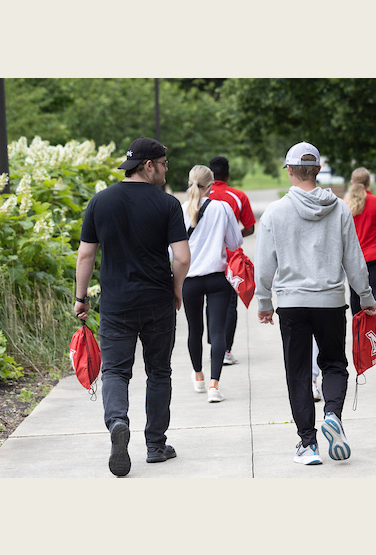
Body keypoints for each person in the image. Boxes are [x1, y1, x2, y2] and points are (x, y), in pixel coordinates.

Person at [255, 141, 376, 466]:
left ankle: (308, 445)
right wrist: (366, 297)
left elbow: (264, 263)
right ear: (318, 170)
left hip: (293, 304)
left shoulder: (276, 212)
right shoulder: (339, 209)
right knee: (334, 364)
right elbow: (354, 259)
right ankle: (332, 414)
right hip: (330, 302)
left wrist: (264, 300)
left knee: (297, 372)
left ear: (291, 170)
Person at [74, 137, 191, 477]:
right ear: (148, 165)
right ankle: (155, 445)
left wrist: (81, 298)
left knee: (115, 371)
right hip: (157, 301)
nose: (167, 170)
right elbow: (182, 257)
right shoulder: (167, 205)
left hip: (116, 304)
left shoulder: (100, 202)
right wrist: (176, 289)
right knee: (159, 372)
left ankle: (117, 423)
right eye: (164, 163)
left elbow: (85, 254)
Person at [180, 165, 243, 403]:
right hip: (218, 278)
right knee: (217, 331)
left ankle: (198, 376)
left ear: (190, 183)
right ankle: (214, 386)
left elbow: (171, 250)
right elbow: (235, 241)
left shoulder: (181, 209)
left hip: (190, 280)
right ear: (212, 184)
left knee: (194, 330)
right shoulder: (222, 208)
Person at [207, 156, 256, 365]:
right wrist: (230, 237)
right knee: (229, 306)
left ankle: (213, 345)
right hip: (231, 261)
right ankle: (226, 350)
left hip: (205, 259)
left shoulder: (200, 195)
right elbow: (251, 227)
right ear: (227, 174)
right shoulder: (237, 196)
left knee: (209, 304)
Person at [344, 167, 376, 315]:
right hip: (375, 255)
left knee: (355, 296)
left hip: (353, 258)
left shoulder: (345, 204)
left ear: (352, 181)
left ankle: (359, 332)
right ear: (368, 182)